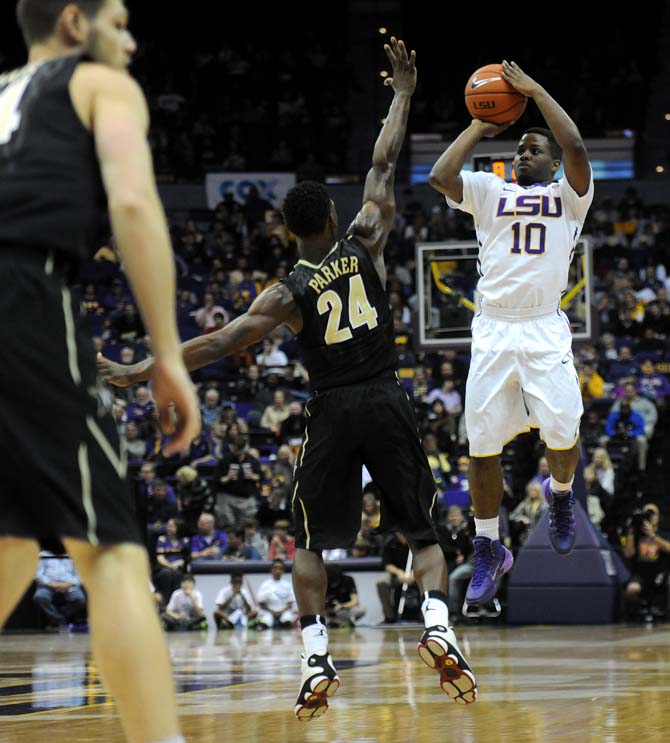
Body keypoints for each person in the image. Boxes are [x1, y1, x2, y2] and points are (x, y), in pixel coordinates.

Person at [98, 37, 476, 715]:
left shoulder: (285, 293)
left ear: (288, 232)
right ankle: (440, 625)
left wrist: (139, 367)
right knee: (423, 534)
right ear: (330, 218)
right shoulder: (364, 235)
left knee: (309, 541)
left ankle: (313, 657)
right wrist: (404, 93)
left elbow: (218, 340)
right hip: (386, 396)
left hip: (331, 409)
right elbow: (383, 160)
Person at [0, 4, 200, 743]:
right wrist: (169, 354)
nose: (132, 38)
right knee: (109, 542)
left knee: (13, 546)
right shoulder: (97, 83)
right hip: (21, 292)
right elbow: (134, 203)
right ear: (76, 24)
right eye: (119, 21)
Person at [428, 60, 594, 607]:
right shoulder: (488, 191)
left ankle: (561, 494)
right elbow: (440, 176)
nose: (523, 154)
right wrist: (480, 123)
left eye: (532, 150)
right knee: (481, 446)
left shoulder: (570, 198)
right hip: (494, 328)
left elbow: (574, 145)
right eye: (519, 149)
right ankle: (487, 546)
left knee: (565, 429)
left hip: (544, 327)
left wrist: (533, 92)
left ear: (550, 163)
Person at [33, 551, 87, 629]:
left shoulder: (74, 552)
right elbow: (38, 574)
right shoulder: (43, 555)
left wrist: (69, 584)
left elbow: (80, 574)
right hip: (48, 584)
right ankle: (59, 621)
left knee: (79, 599)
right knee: (39, 597)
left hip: (68, 584)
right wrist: (51, 584)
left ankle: (57, 618)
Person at [256, 559, 298, 630]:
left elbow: (290, 603)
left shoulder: (287, 585)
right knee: (265, 622)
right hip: (268, 612)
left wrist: (281, 612)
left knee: (288, 620)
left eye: (280, 569)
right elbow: (261, 603)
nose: (277, 571)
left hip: (284, 612)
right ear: (271, 570)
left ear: (283, 571)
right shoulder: (265, 585)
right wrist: (272, 612)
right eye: (275, 568)